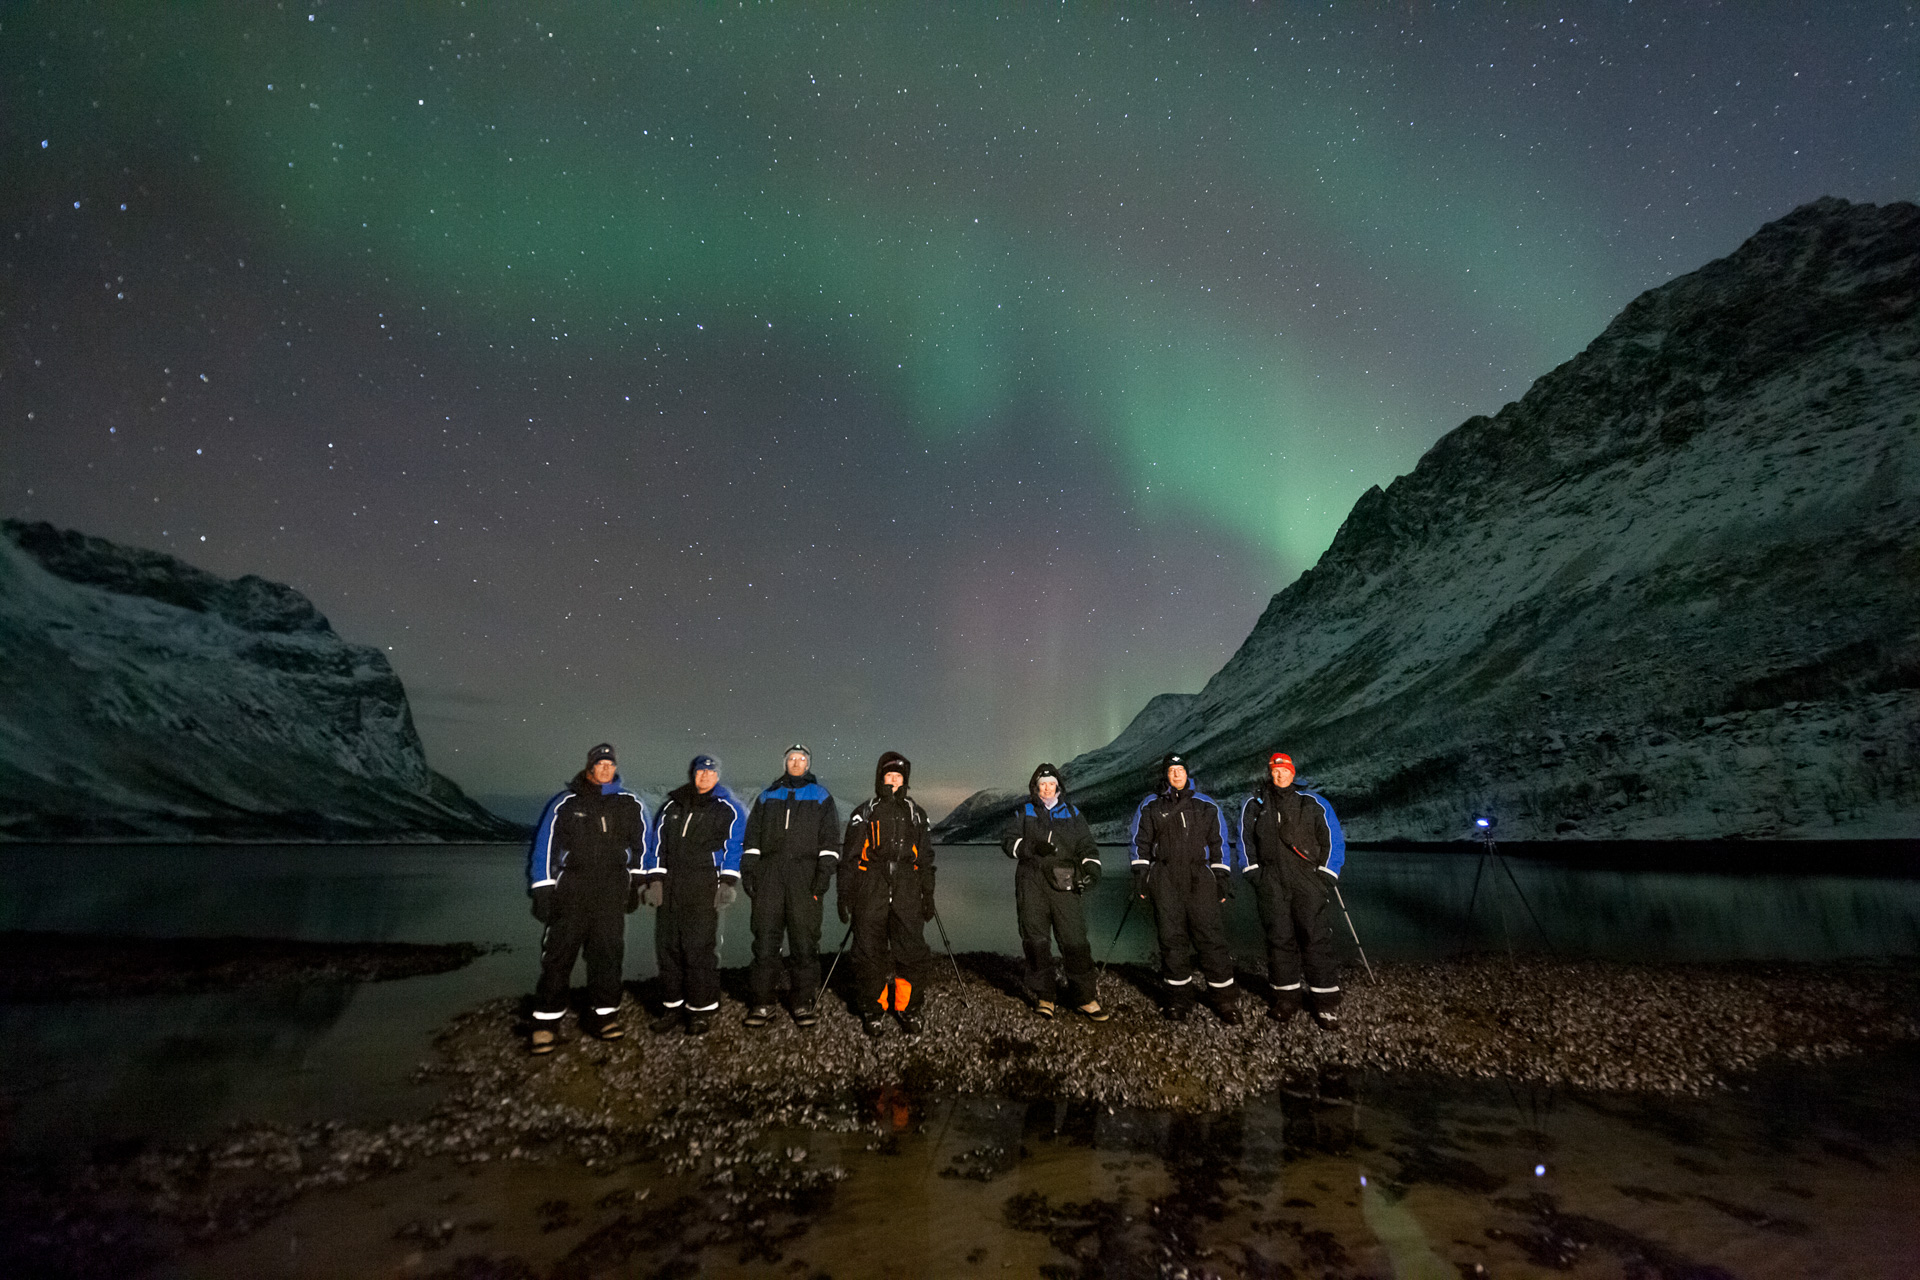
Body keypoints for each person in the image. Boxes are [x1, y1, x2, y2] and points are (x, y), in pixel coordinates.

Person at [525, 743, 649, 1053]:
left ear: (615, 768)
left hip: (611, 889)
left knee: (607, 952)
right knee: (559, 954)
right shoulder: (565, 803)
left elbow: (641, 846)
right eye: (600, 763)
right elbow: (545, 846)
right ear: (590, 766)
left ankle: (603, 1015)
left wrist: (636, 883)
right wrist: (542, 887)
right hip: (572, 889)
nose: (606, 768)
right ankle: (545, 1021)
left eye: (610, 764)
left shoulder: (628, 803)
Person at [1128, 752, 1242, 1024]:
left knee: (1211, 938)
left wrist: (1221, 878)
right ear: (1165, 775)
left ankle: (1224, 1000)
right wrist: (1141, 874)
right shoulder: (1151, 805)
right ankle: (1178, 999)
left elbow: (1219, 844)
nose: (1176, 774)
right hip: (1165, 876)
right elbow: (1139, 842)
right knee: (1171, 939)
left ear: (1187, 773)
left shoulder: (1205, 805)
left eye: (1180, 769)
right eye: (1171, 770)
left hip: (1199, 877)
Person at [641, 753, 746, 1035]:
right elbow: (657, 845)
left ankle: (700, 1010)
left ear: (718, 776)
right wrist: (655, 880)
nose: (705, 777)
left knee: (699, 948)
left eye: (710, 773)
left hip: (703, 884)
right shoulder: (671, 806)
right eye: (700, 772)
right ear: (693, 774)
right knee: (668, 948)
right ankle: (672, 1006)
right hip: (671, 884)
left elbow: (734, 848)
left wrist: (727, 883)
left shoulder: (728, 809)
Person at [1239, 751, 1344, 1028]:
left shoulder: (1313, 803)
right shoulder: (1256, 804)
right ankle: (1286, 998)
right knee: (1279, 940)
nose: (1279, 774)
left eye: (1284, 769)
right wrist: (1253, 873)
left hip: (1307, 881)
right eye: (1275, 770)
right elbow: (1245, 840)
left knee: (1315, 938)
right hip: (1272, 881)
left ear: (1293, 773)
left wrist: (1326, 875)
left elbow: (1332, 838)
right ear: (1270, 773)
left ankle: (1325, 1004)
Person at [740, 744, 840, 1029]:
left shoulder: (821, 797)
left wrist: (822, 878)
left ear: (808, 764)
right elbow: (752, 841)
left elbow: (830, 843)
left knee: (804, 943)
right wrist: (749, 872)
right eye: (792, 759)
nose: (796, 763)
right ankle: (762, 1002)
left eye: (801, 759)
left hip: (804, 878)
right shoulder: (767, 796)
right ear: (785, 763)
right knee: (765, 942)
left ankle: (802, 1001)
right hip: (769, 876)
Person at [838, 750, 937, 1038]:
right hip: (872, 883)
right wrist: (845, 894)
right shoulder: (865, 811)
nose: (893, 781)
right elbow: (851, 857)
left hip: (907, 884)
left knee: (912, 950)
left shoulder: (916, 813)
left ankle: (908, 1008)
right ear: (880, 778)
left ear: (904, 781)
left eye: (898, 776)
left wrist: (927, 893)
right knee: (869, 950)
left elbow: (926, 858)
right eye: (888, 775)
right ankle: (873, 1009)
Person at [1000, 763, 1108, 1020]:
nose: (1046, 789)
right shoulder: (1025, 812)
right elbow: (1007, 842)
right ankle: (1045, 996)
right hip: (1031, 884)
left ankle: (1085, 998)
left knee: (1075, 941)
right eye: (1042, 785)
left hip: (1064, 884)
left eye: (1051, 784)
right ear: (1035, 788)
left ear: (1058, 787)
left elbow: (1086, 846)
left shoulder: (1071, 812)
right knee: (1036, 941)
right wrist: (1031, 847)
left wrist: (1091, 869)